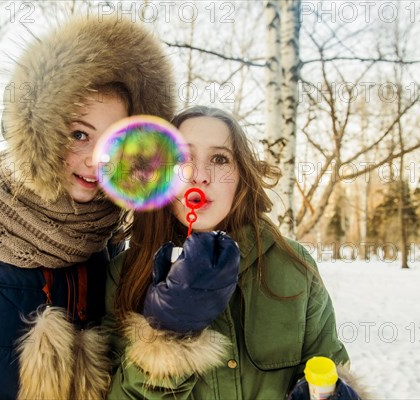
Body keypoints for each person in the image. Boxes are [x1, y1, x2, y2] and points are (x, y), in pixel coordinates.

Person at [0, 16, 175, 399]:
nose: (97, 160)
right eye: (79, 134)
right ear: (41, 130)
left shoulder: (108, 238)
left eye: (114, 141)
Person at [104, 106, 371, 399]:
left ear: (241, 175)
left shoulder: (293, 265)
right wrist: (169, 336)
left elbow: (327, 366)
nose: (200, 176)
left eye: (219, 159)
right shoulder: (124, 273)